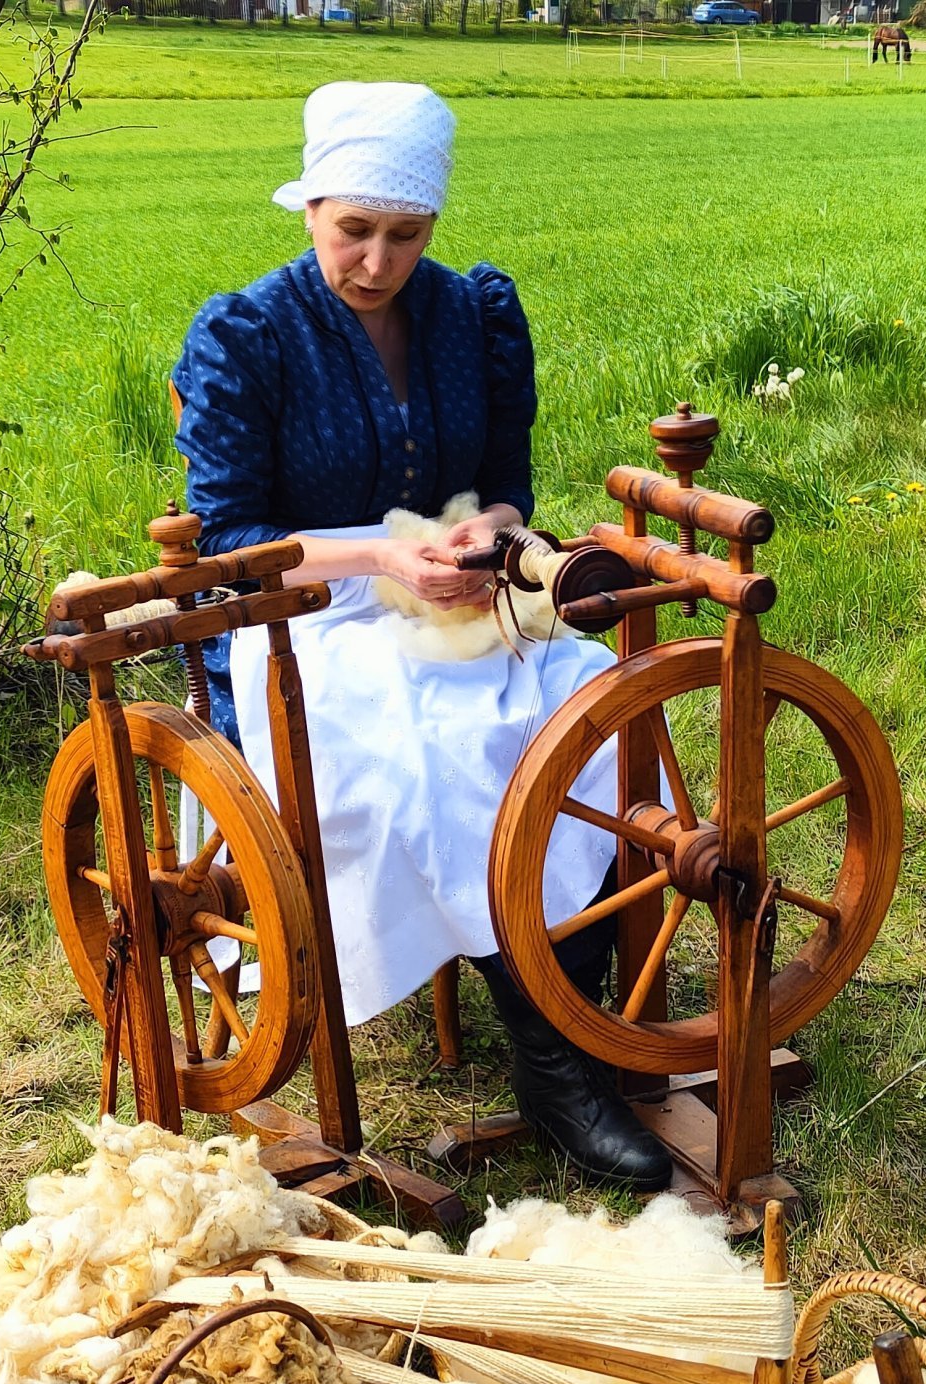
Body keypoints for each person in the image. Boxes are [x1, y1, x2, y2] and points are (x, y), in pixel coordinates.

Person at [171, 81, 671, 1189]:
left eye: (405, 235)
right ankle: (557, 1060)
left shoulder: (472, 315)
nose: (377, 261)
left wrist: (479, 541)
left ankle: (580, 1002)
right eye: (354, 231)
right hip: (300, 618)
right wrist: (386, 555)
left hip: (449, 590)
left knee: (587, 696)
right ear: (309, 210)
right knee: (438, 746)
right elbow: (234, 542)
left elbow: (502, 494)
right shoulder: (247, 337)